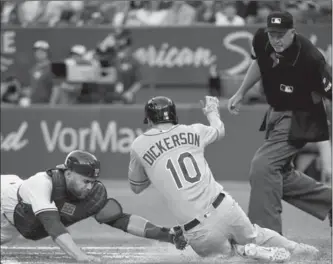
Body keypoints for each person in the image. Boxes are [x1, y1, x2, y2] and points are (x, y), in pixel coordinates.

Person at [127, 95, 319, 262]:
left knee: (227, 260)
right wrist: (211, 110)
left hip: (197, 228)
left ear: (150, 119)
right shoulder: (192, 131)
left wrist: (154, 170)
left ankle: (244, 253)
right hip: (224, 207)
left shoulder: (139, 145)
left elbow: (136, 187)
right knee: (255, 235)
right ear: (173, 114)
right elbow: (219, 129)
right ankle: (300, 250)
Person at [227, 11, 332, 234]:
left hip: (302, 116)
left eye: (281, 35)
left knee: (263, 167)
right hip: (276, 112)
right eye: (272, 34)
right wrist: (240, 92)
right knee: (278, 176)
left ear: (293, 32)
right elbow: (259, 63)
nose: (276, 39)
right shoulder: (262, 40)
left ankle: (266, 236)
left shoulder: (312, 59)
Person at [1, 150, 187, 263]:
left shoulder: (91, 195)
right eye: (85, 181)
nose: (90, 187)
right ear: (68, 173)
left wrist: (166, 235)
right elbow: (52, 225)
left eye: (93, 182)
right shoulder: (42, 183)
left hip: (11, 225)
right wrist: (80, 256)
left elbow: (122, 220)